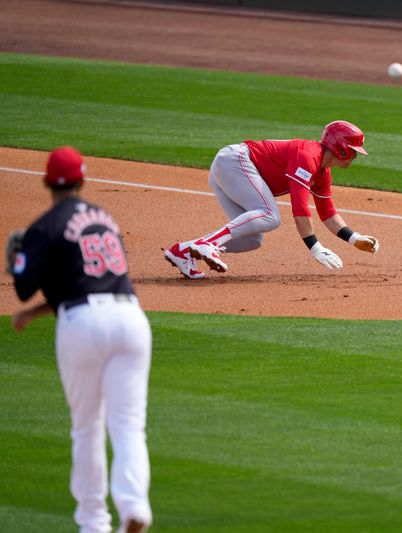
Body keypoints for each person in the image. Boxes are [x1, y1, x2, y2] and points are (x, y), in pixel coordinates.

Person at [11, 147, 152, 533]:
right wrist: (35, 312)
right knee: (129, 426)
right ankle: (135, 506)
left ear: (46, 181)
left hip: (83, 324)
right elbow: (88, 280)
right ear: (82, 179)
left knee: (87, 426)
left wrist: (18, 258)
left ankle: (94, 523)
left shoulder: (45, 226)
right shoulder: (104, 219)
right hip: (131, 319)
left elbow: (25, 287)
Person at [164, 120, 380, 278]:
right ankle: (208, 243)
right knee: (270, 216)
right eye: (352, 150)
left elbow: (328, 213)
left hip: (231, 168)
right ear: (340, 147)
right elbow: (300, 207)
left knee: (252, 239)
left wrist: (354, 239)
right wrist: (315, 247)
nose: (355, 156)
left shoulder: (322, 172)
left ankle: (183, 251)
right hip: (235, 161)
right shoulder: (308, 156)